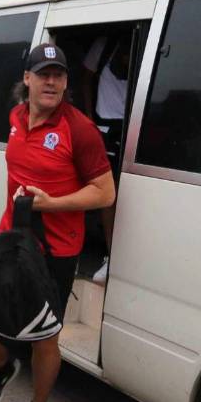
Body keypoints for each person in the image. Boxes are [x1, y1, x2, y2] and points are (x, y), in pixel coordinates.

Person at [0, 43, 115, 402]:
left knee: (44, 340)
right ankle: (2, 365)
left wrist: (53, 204)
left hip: (56, 250)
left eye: (59, 75)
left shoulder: (79, 129)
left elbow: (105, 193)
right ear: (27, 79)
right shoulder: (16, 117)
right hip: (11, 237)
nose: (52, 81)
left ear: (66, 83)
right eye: (43, 73)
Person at [81, 34, 132, 284]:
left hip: (132, 127)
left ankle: (123, 257)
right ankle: (111, 256)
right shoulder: (104, 45)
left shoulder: (143, 41)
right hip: (103, 126)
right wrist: (90, 117)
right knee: (107, 196)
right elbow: (87, 76)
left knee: (130, 196)